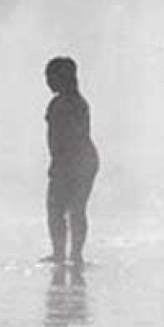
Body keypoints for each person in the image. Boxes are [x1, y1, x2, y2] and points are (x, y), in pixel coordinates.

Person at [43, 57, 99, 268]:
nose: (47, 81)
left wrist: (59, 163)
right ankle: (71, 254)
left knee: (58, 208)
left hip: (75, 160)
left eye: (50, 76)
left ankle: (66, 254)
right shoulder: (73, 102)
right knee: (74, 208)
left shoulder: (66, 104)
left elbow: (67, 137)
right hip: (82, 159)